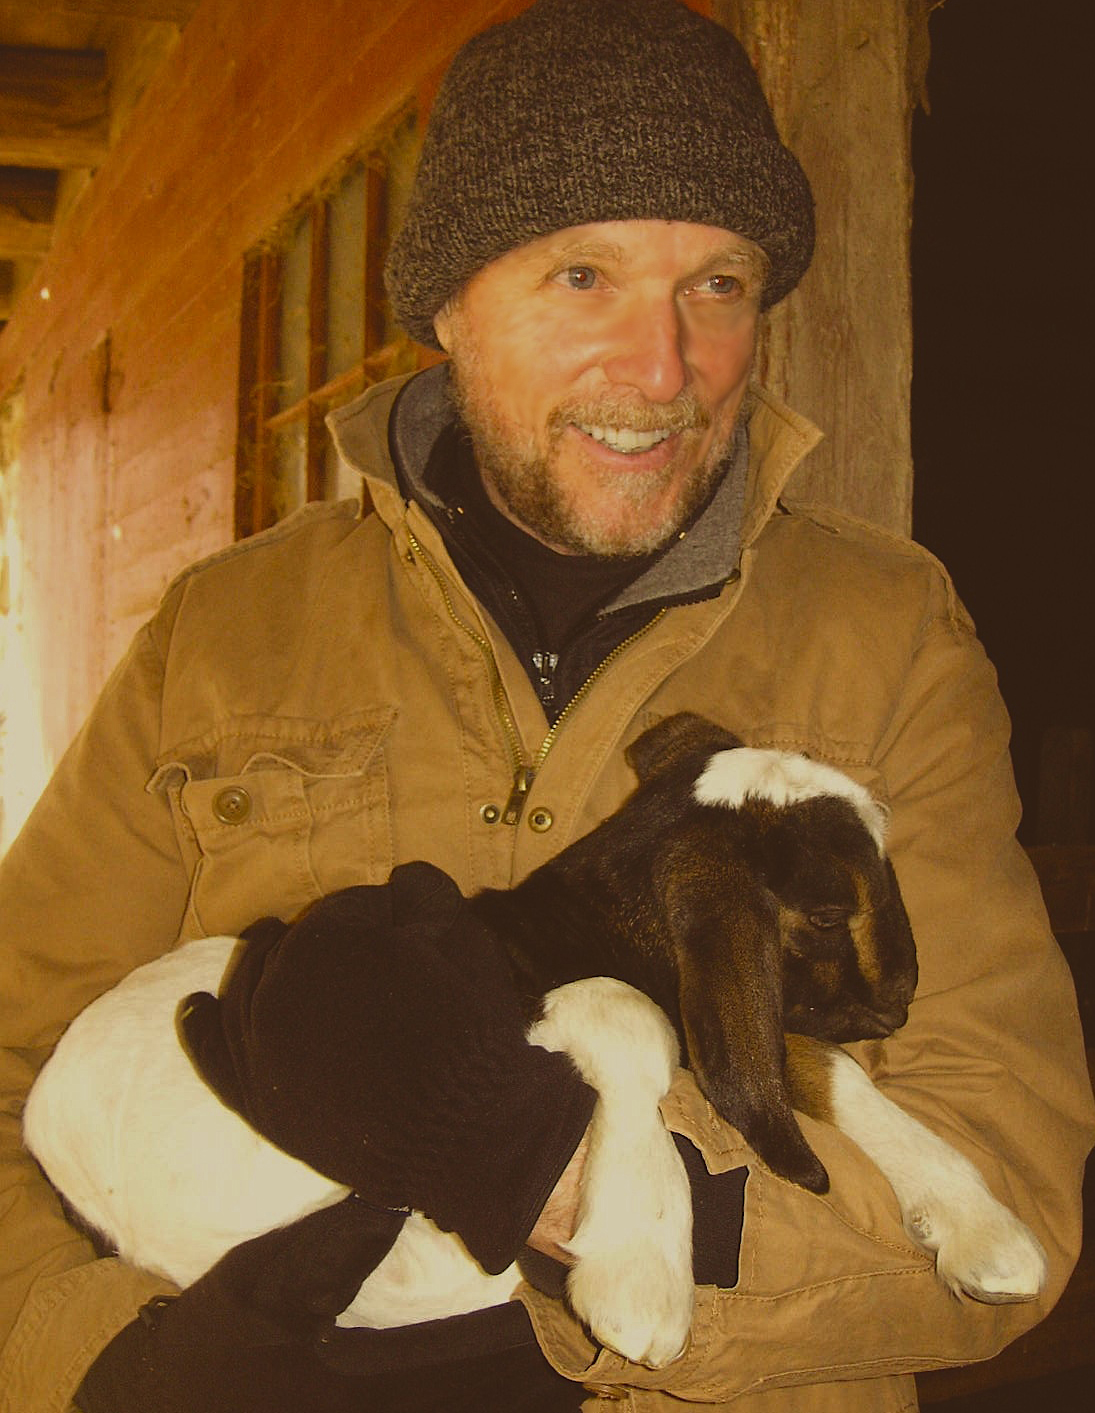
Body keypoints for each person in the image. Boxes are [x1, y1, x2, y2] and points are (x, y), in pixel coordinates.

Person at [0, 0, 1091, 1409]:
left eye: (720, 284)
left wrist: (571, 1188)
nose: (665, 368)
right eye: (585, 275)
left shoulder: (885, 635)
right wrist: (95, 1360)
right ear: (449, 302)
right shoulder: (227, 630)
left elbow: (1005, 1184)